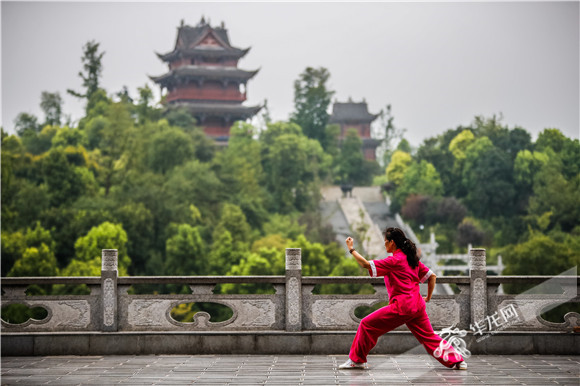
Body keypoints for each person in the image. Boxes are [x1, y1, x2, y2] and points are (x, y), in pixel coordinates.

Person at [338, 227, 467, 370]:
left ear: (392, 243)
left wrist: (351, 249)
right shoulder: (412, 260)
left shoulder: (394, 261)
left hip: (402, 307)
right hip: (417, 306)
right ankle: (458, 361)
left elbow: (366, 264)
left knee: (366, 324)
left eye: (386, 242)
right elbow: (432, 277)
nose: (385, 244)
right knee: (429, 336)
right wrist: (428, 298)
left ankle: (357, 361)